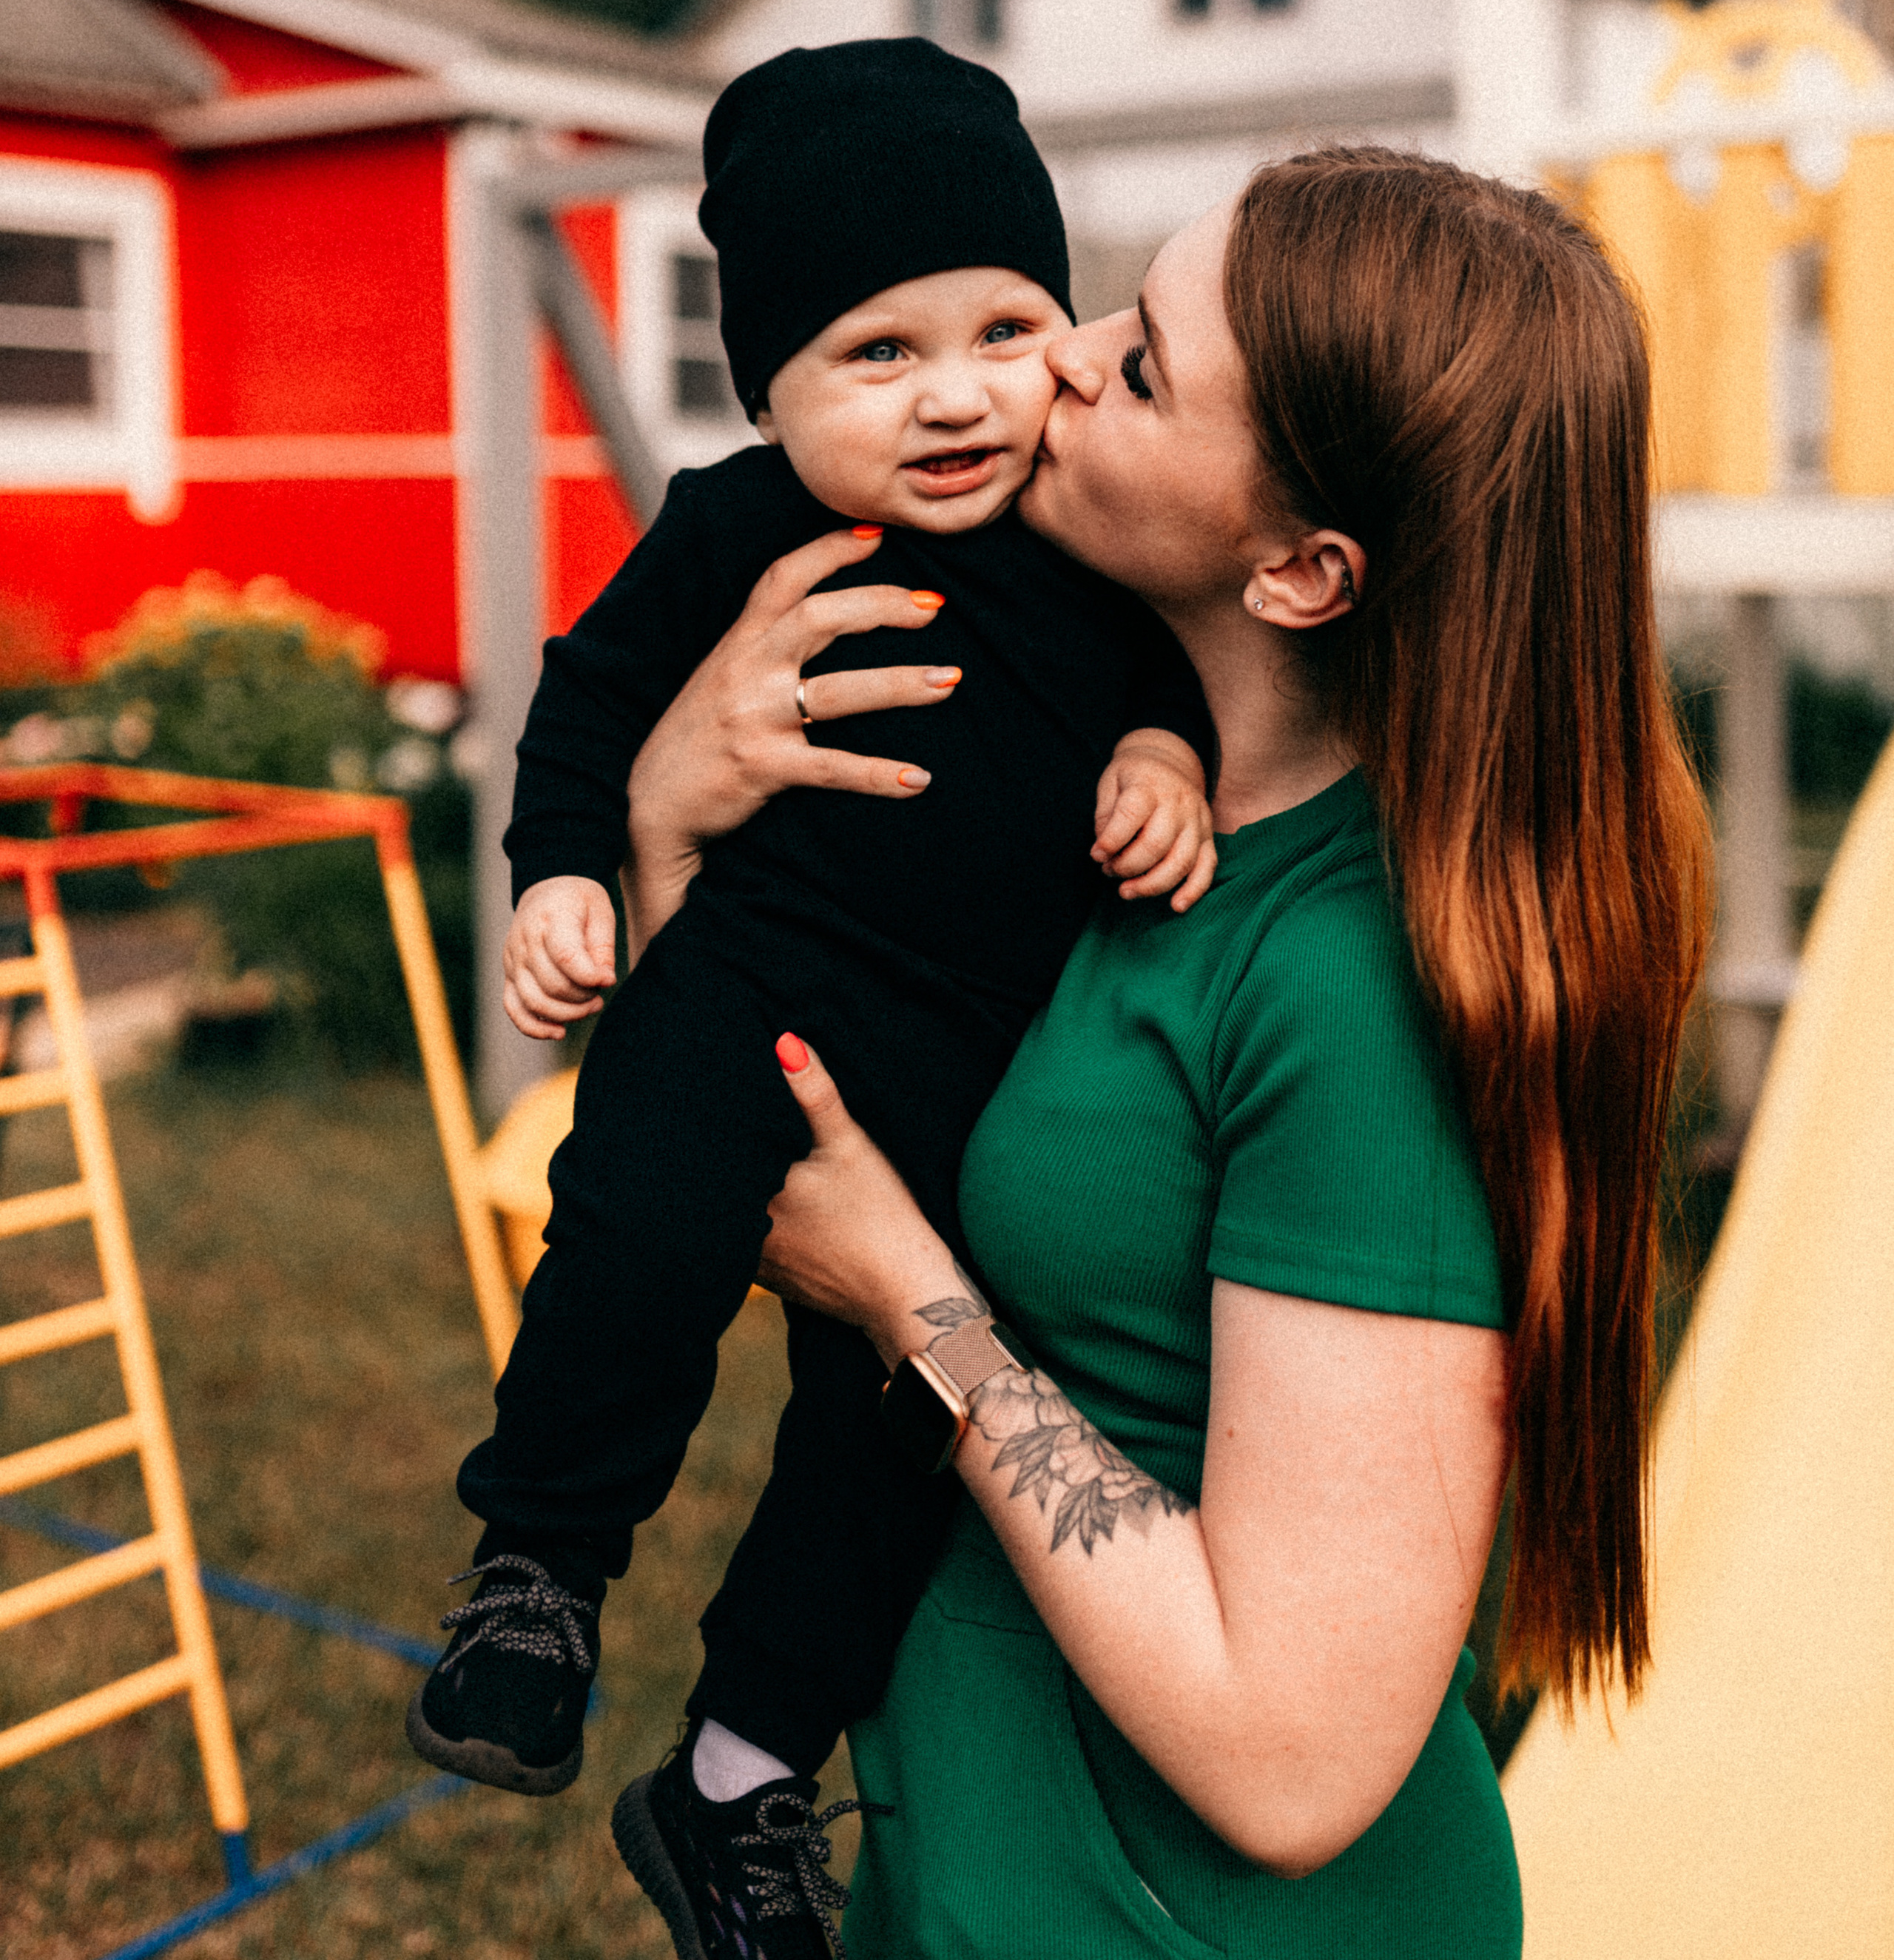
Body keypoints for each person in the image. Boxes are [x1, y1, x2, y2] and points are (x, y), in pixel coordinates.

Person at [612, 149, 1712, 1959]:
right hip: (969, 1877)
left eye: (1136, 368)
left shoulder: (1356, 991)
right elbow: (773, 1127)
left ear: (1298, 569)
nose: (1058, 352)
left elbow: (1292, 1764)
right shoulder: (1106, 820)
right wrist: (666, 825)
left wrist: (913, 1304)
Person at [408, 43, 1218, 1863]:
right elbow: (587, 706)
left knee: (898, 1433)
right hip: (743, 995)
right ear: (767, 394)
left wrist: (1163, 762)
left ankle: (743, 1768)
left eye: (1004, 330)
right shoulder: (735, 525)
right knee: (629, 1248)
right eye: (878, 353)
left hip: (971, 1070)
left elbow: (1178, 683)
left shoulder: (1085, 534)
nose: (956, 395)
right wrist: (563, 876)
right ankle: (536, 1574)